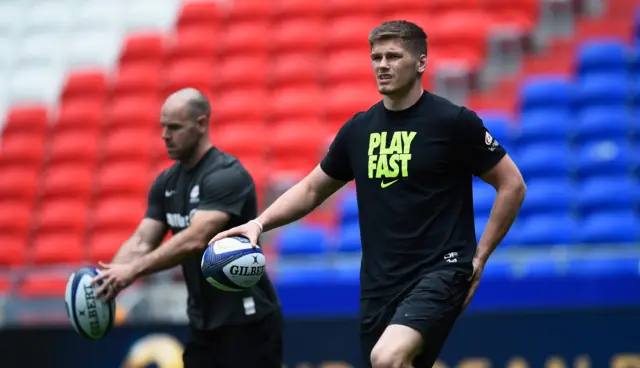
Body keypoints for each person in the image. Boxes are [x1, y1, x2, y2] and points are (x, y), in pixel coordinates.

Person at [212, 20, 526, 368]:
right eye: (376, 57)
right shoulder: (358, 130)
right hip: (379, 284)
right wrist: (259, 223)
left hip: (441, 270)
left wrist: (479, 258)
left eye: (394, 56)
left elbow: (512, 184)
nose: (382, 65)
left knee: (387, 357)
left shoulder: (453, 123)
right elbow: (314, 187)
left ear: (421, 62)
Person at [91, 88, 283, 368]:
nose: (165, 135)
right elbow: (142, 241)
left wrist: (132, 271)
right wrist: (110, 278)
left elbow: (196, 238)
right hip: (202, 324)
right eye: (163, 127)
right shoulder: (166, 183)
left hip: (248, 322)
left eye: (175, 127)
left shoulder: (227, 174)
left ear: (201, 124)